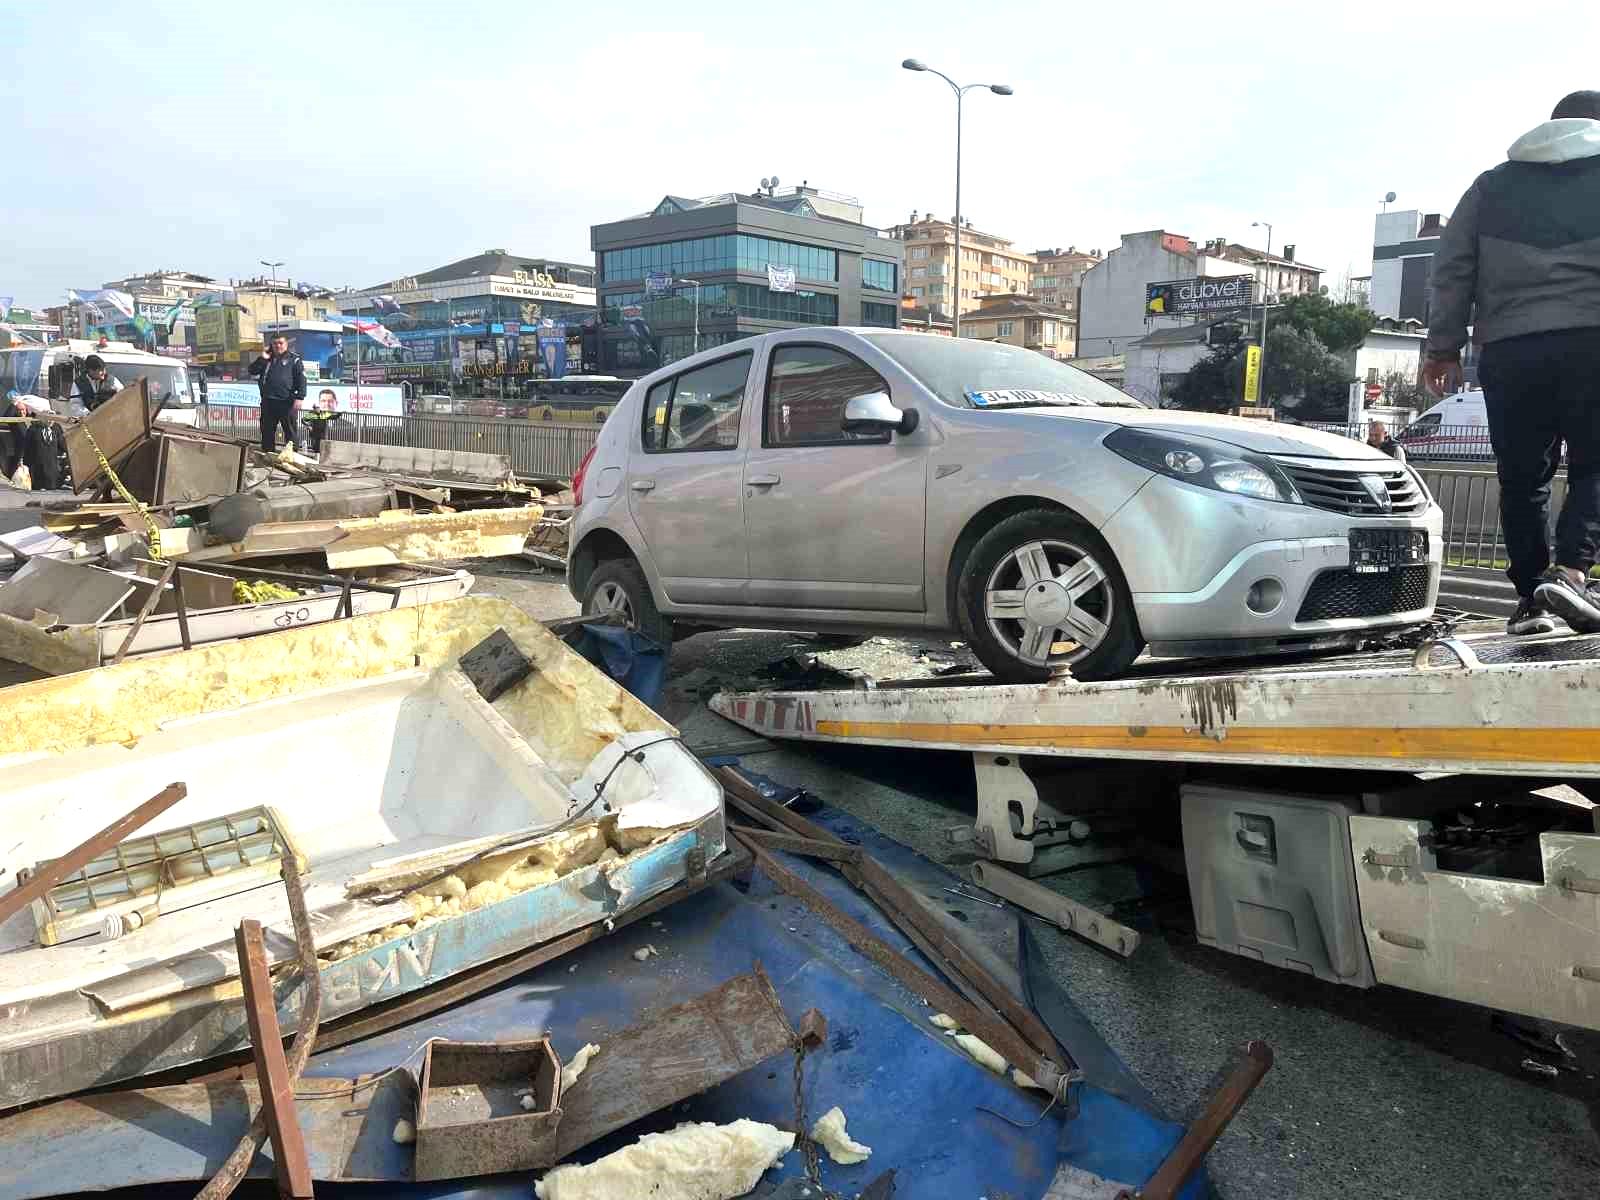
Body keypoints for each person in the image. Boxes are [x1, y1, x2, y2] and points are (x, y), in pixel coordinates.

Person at [1424, 89, 1600, 636]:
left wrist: (1443, 347)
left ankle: (1531, 599)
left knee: (1522, 478)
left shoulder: (1491, 185)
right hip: (1593, 339)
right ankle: (1570, 573)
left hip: (1509, 350)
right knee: (1596, 465)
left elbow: (1452, 266)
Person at [249, 334, 306, 453]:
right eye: (275, 343)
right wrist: (262, 358)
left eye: (280, 343)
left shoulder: (294, 359)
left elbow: (301, 379)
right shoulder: (267, 359)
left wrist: (300, 397)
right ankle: (267, 454)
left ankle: (292, 455)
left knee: (290, 431)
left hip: (286, 401)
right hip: (268, 401)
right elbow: (252, 370)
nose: (277, 346)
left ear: (286, 344)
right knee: (267, 430)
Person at [301, 387, 342, 454]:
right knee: (316, 447)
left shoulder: (323, 414)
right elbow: (303, 420)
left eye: (330, 401)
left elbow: (333, 417)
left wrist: (339, 414)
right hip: (315, 434)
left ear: (336, 403)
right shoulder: (312, 414)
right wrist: (308, 426)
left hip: (322, 434)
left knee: (322, 447)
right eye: (323, 401)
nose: (326, 404)